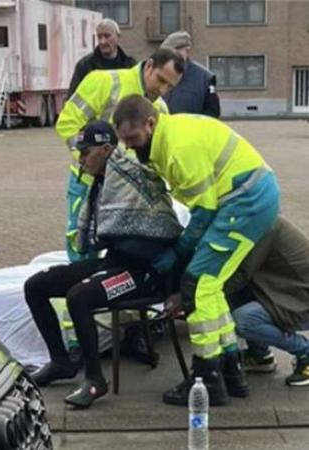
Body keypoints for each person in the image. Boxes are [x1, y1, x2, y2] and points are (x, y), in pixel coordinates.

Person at [112, 94, 280, 406]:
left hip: (246, 201)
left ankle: (206, 379)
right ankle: (231, 372)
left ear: (150, 123)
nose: (130, 147)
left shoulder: (179, 148)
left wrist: (178, 253)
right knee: (211, 287)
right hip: (246, 197)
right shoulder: (165, 140)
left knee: (198, 284)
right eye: (124, 142)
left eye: (133, 139)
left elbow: (203, 211)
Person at [24, 121, 182, 408]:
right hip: (115, 263)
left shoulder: (133, 176)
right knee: (36, 285)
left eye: (86, 153)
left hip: (145, 272)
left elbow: (165, 225)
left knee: (79, 296)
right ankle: (61, 362)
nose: (81, 160)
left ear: (107, 149)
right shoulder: (101, 181)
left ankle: (95, 380)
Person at [56, 48, 183, 262]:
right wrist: (88, 156)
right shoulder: (104, 82)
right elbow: (68, 123)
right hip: (88, 182)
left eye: (170, 86)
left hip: (128, 192)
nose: (162, 89)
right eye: (161, 80)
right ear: (149, 65)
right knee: (81, 239)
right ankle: (78, 283)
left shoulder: (160, 109)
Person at [224, 216, 309, 386]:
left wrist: (196, 294)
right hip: (283, 291)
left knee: (245, 321)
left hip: (299, 298)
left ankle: (304, 352)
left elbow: (242, 273)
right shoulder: (259, 218)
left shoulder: (262, 228)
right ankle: (259, 355)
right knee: (231, 293)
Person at [67, 18, 136, 97]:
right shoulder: (84, 66)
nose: (102, 41)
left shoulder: (130, 66)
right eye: (99, 37)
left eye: (107, 36)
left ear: (118, 37)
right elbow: (72, 98)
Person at [161, 31, 220, 117]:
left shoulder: (205, 78)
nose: (169, 56)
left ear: (187, 51)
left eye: (173, 52)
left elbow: (213, 112)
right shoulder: (159, 73)